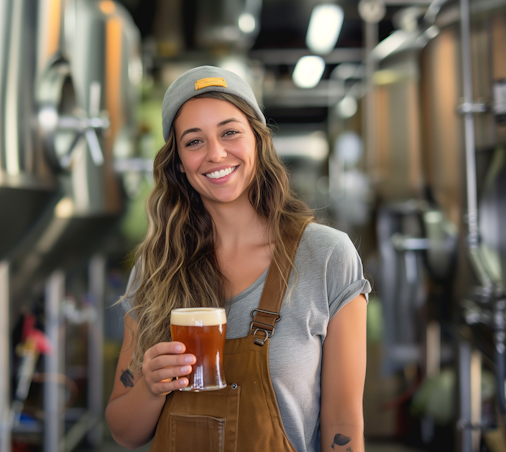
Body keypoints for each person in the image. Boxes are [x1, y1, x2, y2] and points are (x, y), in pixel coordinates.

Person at [106, 66, 370, 452]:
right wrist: (149, 385)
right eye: (194, 141)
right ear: (178, 161)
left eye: (230, 132)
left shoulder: (326, 257)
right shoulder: (157, 269)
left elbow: (344, 429)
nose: (215, 153)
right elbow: (124, 432)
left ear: (259, 142)